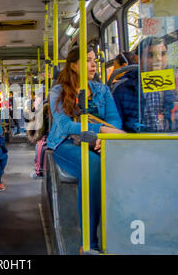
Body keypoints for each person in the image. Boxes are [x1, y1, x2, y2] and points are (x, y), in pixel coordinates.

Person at [47, 46, 124, 252]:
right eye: (88, 60)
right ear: (73, 65)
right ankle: (90, 242)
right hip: (66, 143)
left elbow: (114, 119)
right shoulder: (57, 92)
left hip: (99, 142)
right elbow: (65, 126)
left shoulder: (102, 90)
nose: (93, 65)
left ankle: (121, 233)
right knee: (93, 164)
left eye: (94, 60)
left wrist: (104, 135)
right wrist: (101, 131)